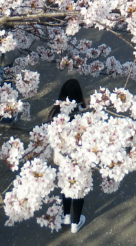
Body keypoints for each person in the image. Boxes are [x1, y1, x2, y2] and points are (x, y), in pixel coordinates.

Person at [51, 79, 88, 233]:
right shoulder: (83, 113)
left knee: (66, 185)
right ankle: (75, 222)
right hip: (79, 159)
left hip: (62, 158)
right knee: (78, 189)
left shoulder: (57, 114)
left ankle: (66, 215)